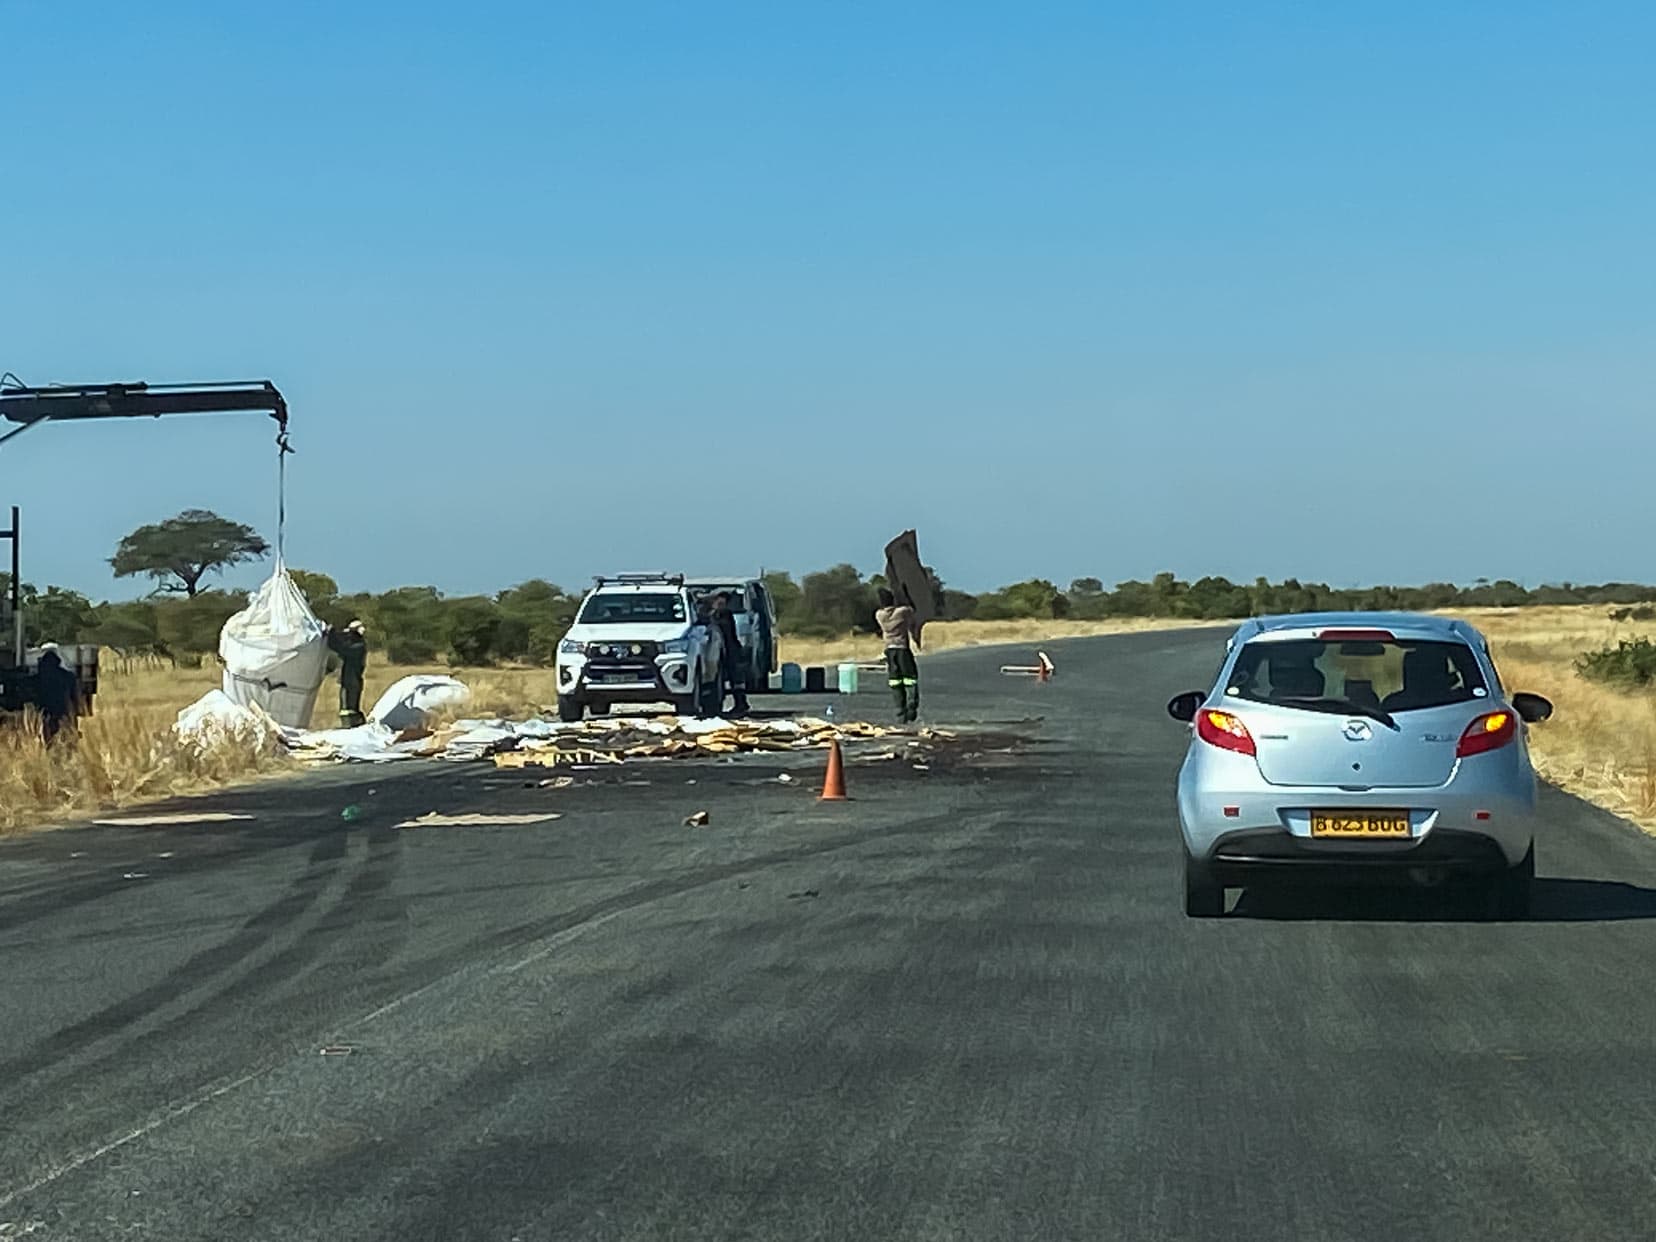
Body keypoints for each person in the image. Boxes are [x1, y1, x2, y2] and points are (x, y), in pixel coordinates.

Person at [874, 587, 921, 724]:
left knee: (895, 681)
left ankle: (900, 712)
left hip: (889, 650)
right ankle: (911, 707)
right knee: (910, 678)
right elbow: (912, 609)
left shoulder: (879, 615)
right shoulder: (902, 612)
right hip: (902, 649)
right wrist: (905, 594)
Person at [711, 592, 749, 718]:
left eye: (721, 603)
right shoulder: (719, 614)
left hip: (731, 650)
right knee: (726, 680)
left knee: (736, 679)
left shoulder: (725, 615)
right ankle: (737, 704)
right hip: (726, 650)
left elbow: (726, 632)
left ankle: (741, 704)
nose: (717, 604)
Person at [326, 619, 369, 728]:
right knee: (346, 708)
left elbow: (341, 648)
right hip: (349, 681)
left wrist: (331, 634)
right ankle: (351, 726)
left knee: (348, 709)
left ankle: (350, 727)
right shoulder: (356, 645)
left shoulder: (358, 647)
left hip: (352, 682)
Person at [34, 643, 79, 744]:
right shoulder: (68, 676)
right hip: (65, 712)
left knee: (49, 743)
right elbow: (74, 697)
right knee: (68, 741)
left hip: (48, 713)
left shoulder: (39, 678)